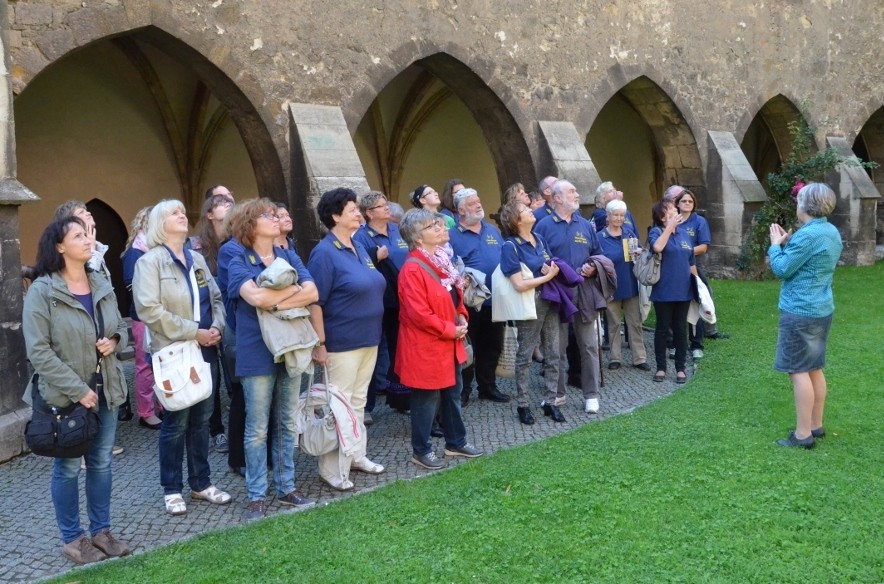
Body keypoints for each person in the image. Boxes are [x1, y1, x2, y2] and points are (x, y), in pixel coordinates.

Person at [23, 216, 131, 564]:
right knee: (68, 468)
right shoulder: (43, 290)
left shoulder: (100, 281)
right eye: (79, 235)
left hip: (107, 389)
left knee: (101, 464)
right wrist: (77, 389)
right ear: (59, 246)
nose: (88, 241)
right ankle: (73, 538)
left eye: (89, 235)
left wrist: (114, 340)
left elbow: (121, 327)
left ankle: (102, 532)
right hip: (65, 398)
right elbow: (38, 351)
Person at [132, 200, 232, 516]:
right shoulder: (150, 263)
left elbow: (216, 297)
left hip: (204, 349)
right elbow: (149, 310)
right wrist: (194, 331)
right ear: (160, 225)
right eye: (173, 213)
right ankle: (171, 488)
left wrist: (215, 327)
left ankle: (201, 483)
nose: (181, 215)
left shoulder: (197, 259)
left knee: (201, 419)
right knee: (176, 421)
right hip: (173, 352)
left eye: (182, 212)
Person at [226, 198, 318, 519]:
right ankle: (256, 495)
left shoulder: (287, 254)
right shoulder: (238, 257)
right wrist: (287, 297)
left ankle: (286, 487)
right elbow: (253, 296)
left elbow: (313, 292)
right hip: (256, 349)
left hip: (290, 344)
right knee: (257, 427)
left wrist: (274, 303)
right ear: (250, 224)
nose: (276, 218)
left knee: (287, 420)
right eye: (267, 215)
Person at [307, 188, 387, 491]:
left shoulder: (357, 246)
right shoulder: (324, 253)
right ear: (335, 216)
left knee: (358, 402)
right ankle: (331, 469)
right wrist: (321, 344)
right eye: (352, 209)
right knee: (336, 407)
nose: (358, 212)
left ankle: (355, 455)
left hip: (368, 339)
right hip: (341, 343)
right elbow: (316, 302)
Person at [396, 209, 484, 469]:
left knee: (452, 393)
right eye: (432, 226)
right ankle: (421, 450)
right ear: (418, 237)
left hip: (448, 341)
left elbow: (454, 295)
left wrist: (461, 315)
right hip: (427, 346)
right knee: (425, 401)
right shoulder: (413, 268)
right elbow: (417, 313)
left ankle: (455, 442)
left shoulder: (439, 261)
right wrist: (449, 329)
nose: (440, 228)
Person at [768, 182, 843, 449]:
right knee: (814, 368)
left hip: (799, 311)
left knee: (798, 370)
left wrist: (776, 245)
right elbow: (811, 260)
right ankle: (815, 425)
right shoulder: (830, 231)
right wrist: (789, 242)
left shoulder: (807, 235)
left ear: (806, 205)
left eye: (798, 200)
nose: (796, 204)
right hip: (822, 309)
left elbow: (782, 269)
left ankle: (802, 435)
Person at [534, 179, 604, 418]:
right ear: (557, 198)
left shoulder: (584, 225)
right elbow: (535, 258)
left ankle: (591, 395)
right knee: (556, 347)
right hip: (557, 295)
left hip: (584, 293)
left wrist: (593, 267)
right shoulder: (542, 226)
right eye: (572, 191)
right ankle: (557, 393)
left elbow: (598, 255)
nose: (577, 194)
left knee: (589, 346)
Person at [498, 200, 561, 424]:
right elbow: (519, 284)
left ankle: (550, 401)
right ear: (516, 220)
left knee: (553, 352)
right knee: (525, 355)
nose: (530, 211)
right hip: (529, 303)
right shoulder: (510, 246)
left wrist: (547, 269)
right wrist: (547, 276)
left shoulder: (540, 239)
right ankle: (523, 405)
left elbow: (546, 263)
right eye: (525, 210)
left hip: (549, 300)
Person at [448, 187, 509, 405]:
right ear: (461, 210)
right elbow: (448, 267)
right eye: (473, 203)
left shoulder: (492, 230)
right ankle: (464, 390)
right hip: (469, 302)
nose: (479, 205)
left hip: (494, 299)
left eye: (478, 200)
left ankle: (488, 386)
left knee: (492, 345)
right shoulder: (452, 235)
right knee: (467, 347)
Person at [354, 191, 409, 423]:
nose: (387, 208)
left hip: (401, 300)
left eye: (387, 204)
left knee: (400, 351)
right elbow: (357, 266)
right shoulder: (362, 236)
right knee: (373, 353)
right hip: (376, 301)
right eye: (381, 206)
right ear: (369, 213)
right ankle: (366, 405)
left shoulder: (397, 230)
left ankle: (400, 398)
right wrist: (374, 256)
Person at [190, 193, 235, 453]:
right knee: (212, 377)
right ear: (209, 214)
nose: (228, 205)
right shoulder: (196, 247)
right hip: (207, 318)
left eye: (230, 202)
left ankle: (235, 427)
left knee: (233, 375)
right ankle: (216, 430)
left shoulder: (236, 241)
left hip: (232, 315)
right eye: (221, 203)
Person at [120, 206, 162, 429]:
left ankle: (163, 404)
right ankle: (146, 412)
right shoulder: (134, 252)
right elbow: (131, 285)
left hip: (161, 316)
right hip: (143, 317)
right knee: (145, 364)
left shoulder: (159, 249)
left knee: (162, 361)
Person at [647, 199, 696, 384]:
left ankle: (681, 368)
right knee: (661, 329)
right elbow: (657, 247)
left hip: (684, 291)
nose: (676, 213)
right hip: (664, 291)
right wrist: (669, 227)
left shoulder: (684, 234)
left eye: (675, 210)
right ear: (662, 216)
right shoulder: (656, 232)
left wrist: (698, 286)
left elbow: (691, 262)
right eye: (671, 211)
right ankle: (661, 367)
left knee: (680, 330)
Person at [598, 200, 650, 371]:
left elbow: (641, 254)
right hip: (610, 287)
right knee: (613, 324)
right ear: (608, 216)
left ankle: (639, 357)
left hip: (630, 284)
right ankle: (615, 358)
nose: (619, 218)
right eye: (616, 215)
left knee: (635, 323)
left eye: (622, 215)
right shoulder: (600, 237)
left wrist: (641, 252)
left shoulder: (629, 234)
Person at [673, 189, 712, 359]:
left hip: (694, 268)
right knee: (676, 307)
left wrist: (683, 252)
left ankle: (696, 344)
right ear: (677, 204)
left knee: (697, 303)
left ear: (694, 204)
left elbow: (704, 247)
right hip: (673, 270)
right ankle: (675, 344)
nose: (687, 204)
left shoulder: (699, 222)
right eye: (683, 201)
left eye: (690, 201)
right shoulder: (673, 220)